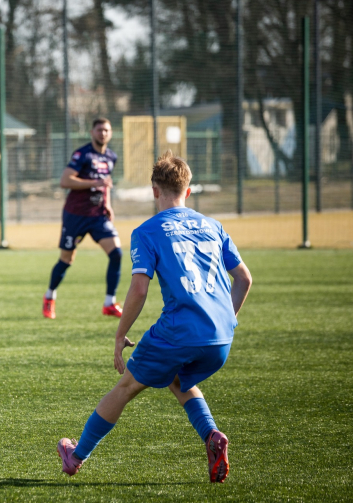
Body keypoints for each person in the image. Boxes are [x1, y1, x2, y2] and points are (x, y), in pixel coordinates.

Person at [57, 150, 252, 483]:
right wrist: (227, 320)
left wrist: (120, 336)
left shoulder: (147, 231)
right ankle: (212, 436)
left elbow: (138, 290)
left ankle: (75, 457)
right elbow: (244, 279)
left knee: (128, 385)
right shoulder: (213, 226)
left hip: (181, 329)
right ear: (188, 191)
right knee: (176, 376)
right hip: (222, 335)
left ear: (154, 190)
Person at [43, 117, 123, 319]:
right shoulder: (83, 154)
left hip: (97, 215)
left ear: (110, 133)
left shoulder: (111, 157)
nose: (103, 133)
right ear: (92, 132)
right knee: (66, 259)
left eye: (106, 130)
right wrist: (95, 181)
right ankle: (49, 296)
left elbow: (106, 184)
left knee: (117, 253)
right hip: (75, 215)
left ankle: (109, 303)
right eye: (99, 130)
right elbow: (65, 180)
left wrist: (108, 204)